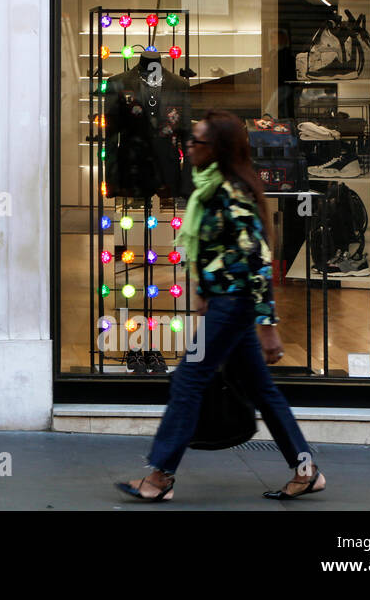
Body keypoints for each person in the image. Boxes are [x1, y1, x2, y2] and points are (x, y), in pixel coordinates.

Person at [115, 109, 326, 502]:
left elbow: (257, 258)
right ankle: (305, 469)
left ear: (219, 149)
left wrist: (268, 325)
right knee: (262, 390)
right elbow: (215, 250)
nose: (189, 147)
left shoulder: (231, 192)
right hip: (225, 303)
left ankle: (160, 478)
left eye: (198, 141)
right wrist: (202, 293)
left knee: (189, 379)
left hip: (236, 304)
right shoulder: (211, 189)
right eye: (190, 140)